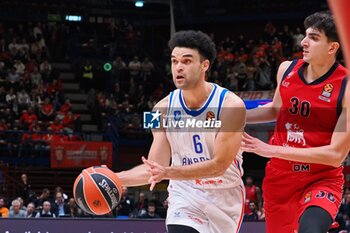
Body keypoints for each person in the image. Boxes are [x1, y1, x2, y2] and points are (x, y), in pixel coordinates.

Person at [116, 30, 246, 233]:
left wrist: (168, 172)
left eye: (186, 61)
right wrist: (114, 177)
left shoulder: (232, 106)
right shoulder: (159, 109)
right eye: (174, 61)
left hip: (224, 195)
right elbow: (154, 168)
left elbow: (219, 166)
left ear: (205, 65)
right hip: (184, 193)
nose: (178, 67)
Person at [242, 11, 350, 233]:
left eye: (314, 37)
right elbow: (273, 110)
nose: (304, 41)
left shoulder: (346, 86)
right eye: (305, 35)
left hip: (321, 177)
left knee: (310, 229)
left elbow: (335, 155)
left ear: (332, 48)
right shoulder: (286, 69)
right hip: (280, 178)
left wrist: (269, 148)